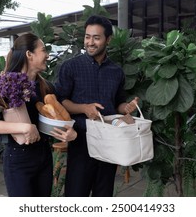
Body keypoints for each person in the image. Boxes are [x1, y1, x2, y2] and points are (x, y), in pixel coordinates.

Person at [0, 33, 77, 197]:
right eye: (43, 50)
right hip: (18, 160)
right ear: (29, 55)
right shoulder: (4, 85)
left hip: (44, 158)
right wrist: (24, 127)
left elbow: (60, 118)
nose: (47, 55)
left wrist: (70, 133)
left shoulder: (46, 87)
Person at [55, 15, 139, 197]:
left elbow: (118, 104)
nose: (90, 42)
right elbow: (61, 102)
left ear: (108, 39)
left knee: (104, 195)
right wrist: (84, 108)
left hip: (109, 141)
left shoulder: (116, 71)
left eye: (96, 37)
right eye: (87, 36)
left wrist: (127, 108)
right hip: (81, 140)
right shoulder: (70, 67)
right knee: (76, 196)